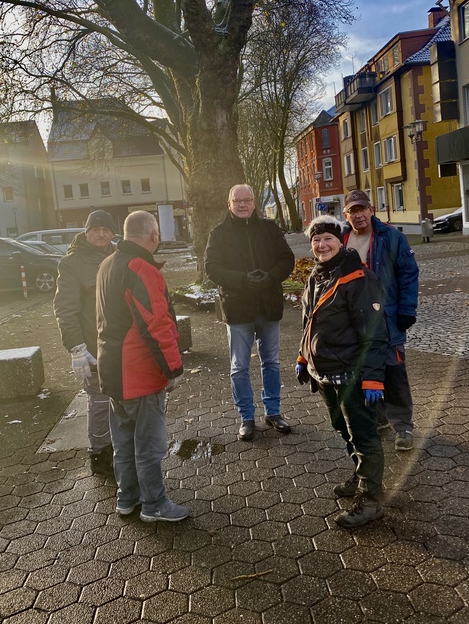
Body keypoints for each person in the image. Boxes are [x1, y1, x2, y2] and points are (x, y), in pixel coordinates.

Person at [296, 215, 389, 528]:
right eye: (316, 241)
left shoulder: (357, 278)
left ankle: (372, 500)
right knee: (343, 428)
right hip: (324, 372)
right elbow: (310, 322)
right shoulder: (316, 277)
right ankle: (361, 476)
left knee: (363, 436)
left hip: (351, 373)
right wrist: (302, 358)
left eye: (328, 239)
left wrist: (373, 378)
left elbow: (375, 333)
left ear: (341, 241)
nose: (322, 246)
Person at [96, 210, 188, 523]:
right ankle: (155, 504)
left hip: (112, 371)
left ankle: (128, 498)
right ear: (153, 235)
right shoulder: (142, 267)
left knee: (123, 440)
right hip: (139, 373)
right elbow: (157, 324)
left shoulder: (108, 263)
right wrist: (173, 368)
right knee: (148, 443)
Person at [204, 184, 295, 441]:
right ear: (229, 203)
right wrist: (243, 279)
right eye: (237, 201)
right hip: (238, 309)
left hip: (268, 306)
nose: (242, 205)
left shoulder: (269, 229)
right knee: (239, 366)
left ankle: (273, 412)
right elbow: (212, 268)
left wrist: (269, 277)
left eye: (247, 200)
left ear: (254, 203)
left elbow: (287, 260)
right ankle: (246, 417)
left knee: (272, 362)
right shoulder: (218, 234)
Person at [342, 190, 419, 451]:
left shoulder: (390, 236)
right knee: (366, 367)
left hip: (387, 315)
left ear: (371, 210)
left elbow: (408, 274)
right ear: (346, 215)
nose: (358, 214)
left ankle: (403, 426)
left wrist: (407, 310)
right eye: (353, 210)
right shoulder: (342, 239)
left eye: (362, 209)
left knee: (394, 370)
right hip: (356, 319)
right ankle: (380, 417)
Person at [54, 209, 116, 476]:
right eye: (95, 230)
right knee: (100, 402)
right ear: (86, 232)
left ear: (112, 233)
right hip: (93, 347)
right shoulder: (71, 264)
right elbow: (65, 309)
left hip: (121, 345)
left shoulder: (118, 255)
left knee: (121, 400)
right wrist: (76, 348)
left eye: (105, 230)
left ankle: (120, 447)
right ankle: (100, 453)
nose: (101, 234)